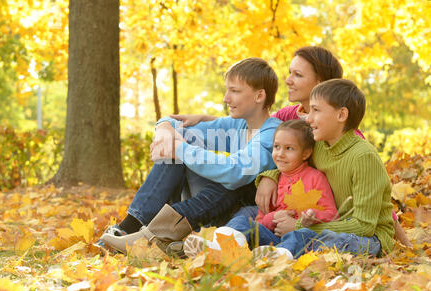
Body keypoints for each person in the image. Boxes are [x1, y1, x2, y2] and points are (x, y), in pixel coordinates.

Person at [173, 46, 410, 247]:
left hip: (326, 218)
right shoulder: (289, 116)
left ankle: (174, 228)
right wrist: (270, 175)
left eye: (297, 74)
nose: (287, 80)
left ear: (320, 83)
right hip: (288, 206)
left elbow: (372, 197)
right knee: (242, 198)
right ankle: (217, 241)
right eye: (289, 73)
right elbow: (255, 121)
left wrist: (400, 243)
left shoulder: (349, 139)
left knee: (237, 181)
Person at [96, 57, 282, 255]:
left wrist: (179, 147)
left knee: (226, 181)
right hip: (210, 209)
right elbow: (177, 126)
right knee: (177, 144)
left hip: (242, 219)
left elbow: (235, 171)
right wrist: (165, 129)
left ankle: (148, 234)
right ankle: (131, 226)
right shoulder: (238, 125)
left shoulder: (271, 134)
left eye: (235, 91)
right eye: (227, 90)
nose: (226, 98)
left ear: (259, 96)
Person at [182, 119, 339, 259]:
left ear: (306, 153)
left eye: (289, 148)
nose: (280, 154)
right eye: (276, 147)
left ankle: (278, 258)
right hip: (272, 238)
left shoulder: (315, 177)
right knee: (242, 220)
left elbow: (332, 214)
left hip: (299, 242)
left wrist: (310, 218)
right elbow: (260, 221)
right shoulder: (274, 182)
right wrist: (274, 217)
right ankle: (220, 247)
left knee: (301, 235)